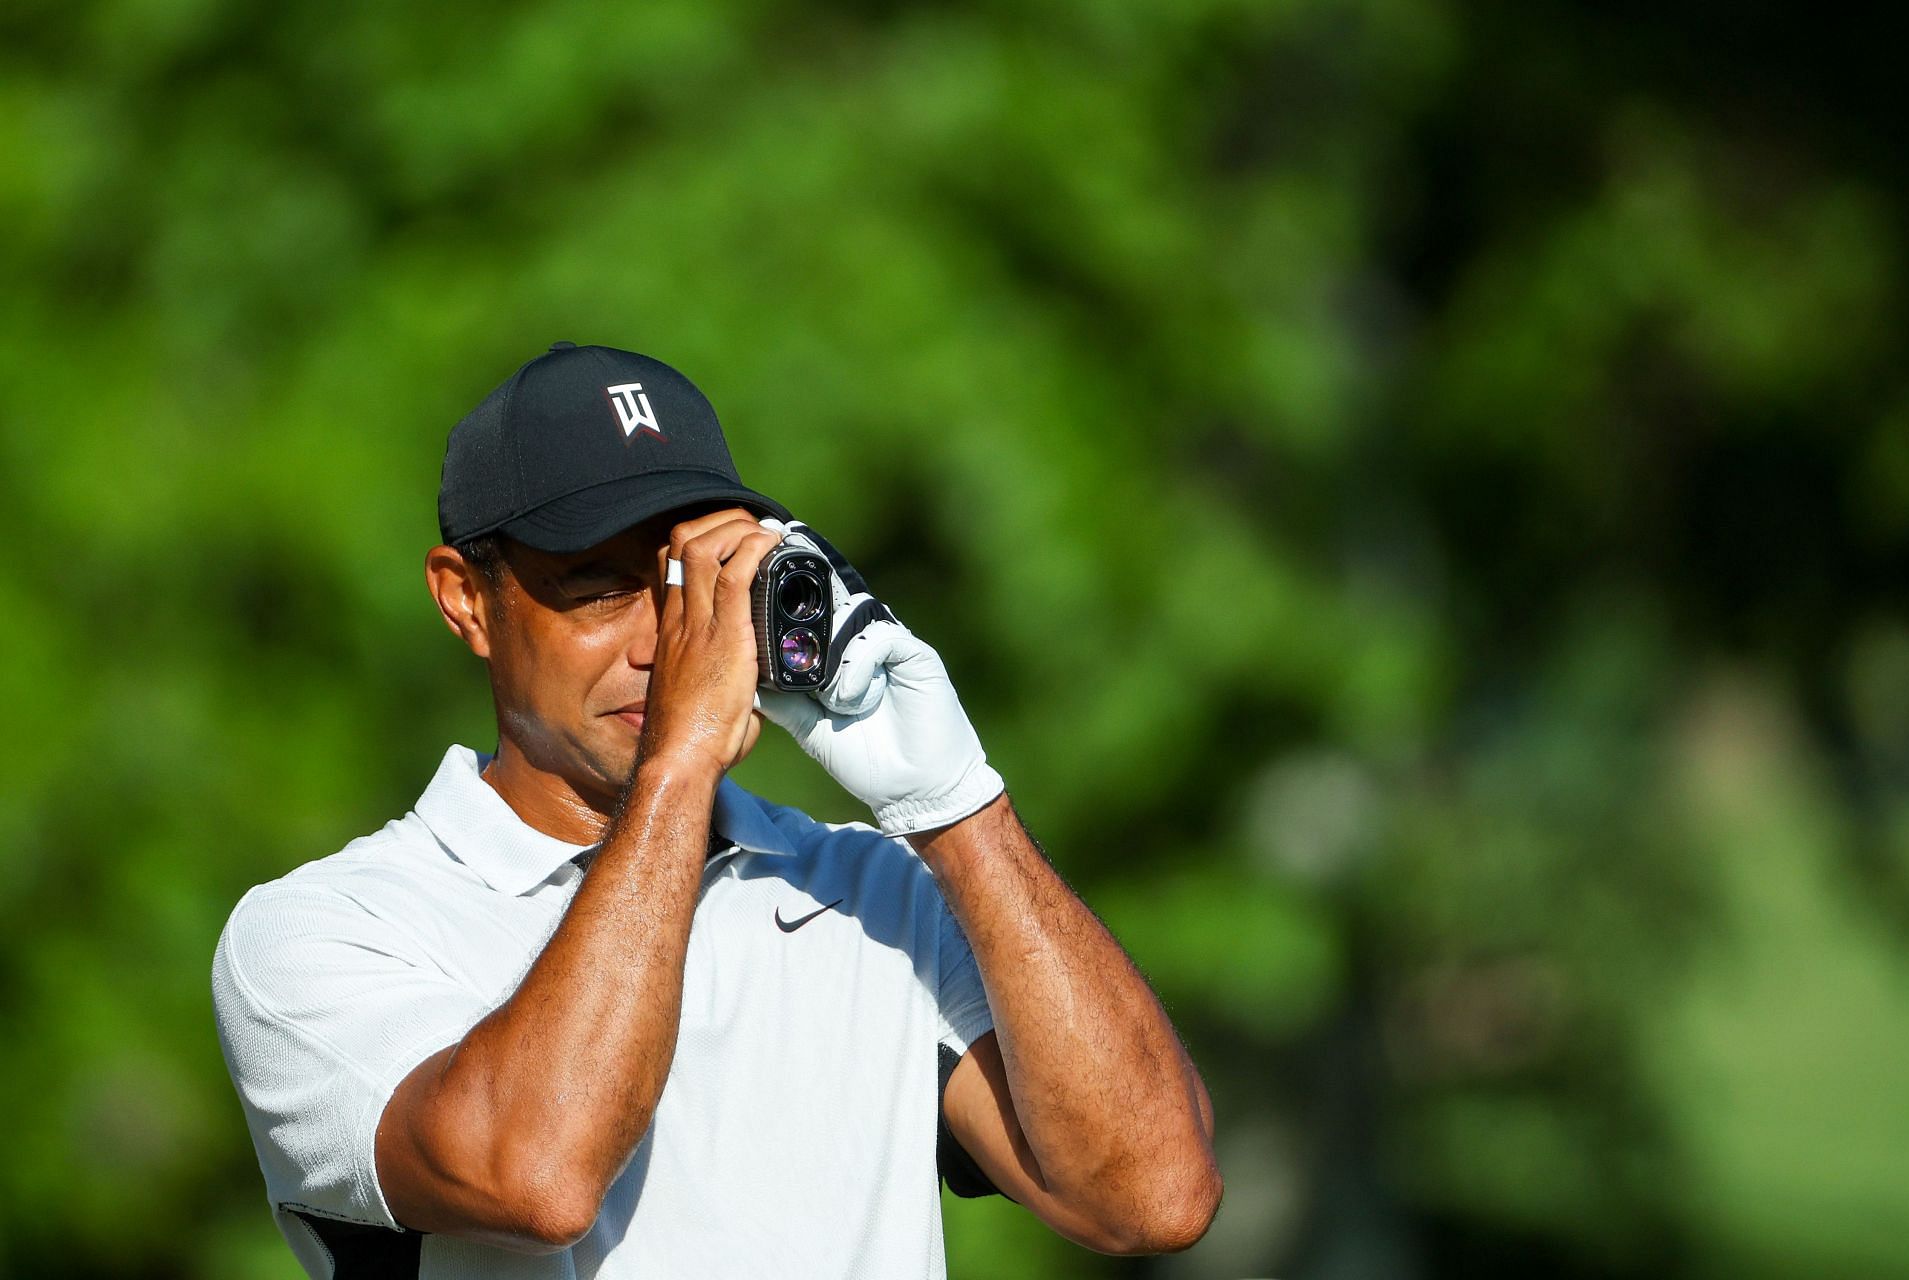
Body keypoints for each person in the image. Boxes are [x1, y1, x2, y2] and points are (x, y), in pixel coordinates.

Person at [212, 341, 1221, 1278]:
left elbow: (1154, 1196)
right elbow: (538, 1173)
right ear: (467, 598)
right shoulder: (326, 928)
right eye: (599, 587)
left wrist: (956, 803)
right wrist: (679, 765)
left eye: (687, 584)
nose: (666, 641)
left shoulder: (876, 892)